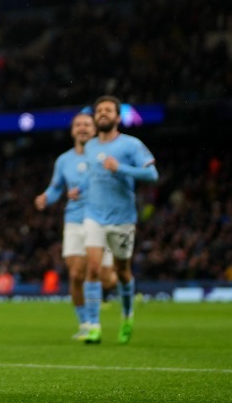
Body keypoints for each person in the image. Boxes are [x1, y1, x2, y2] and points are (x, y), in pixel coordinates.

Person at [78, 95, 158, 345]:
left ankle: (127, 315)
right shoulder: (90, 146)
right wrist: (78, 189)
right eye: (99, 110)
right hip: (93, 216)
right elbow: (91, 177)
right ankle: (93, 326)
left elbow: (152, 174)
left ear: (117, 117)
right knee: (92, 268)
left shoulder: (131, 145)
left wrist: (121, 168)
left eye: (108, 110)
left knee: (122, 271)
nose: (102, 113)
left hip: (122, 218)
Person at [33, 112, 119, 339]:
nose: (82, 128)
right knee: (76, 274)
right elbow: (56, 188)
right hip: (74, 220)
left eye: (87, 125)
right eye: (78, 124)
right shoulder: (63, 160)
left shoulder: (103, 154)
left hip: (101, 219)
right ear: (72, 130)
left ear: (94, 129)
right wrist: (45, 197)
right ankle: (87, 324)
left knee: (105, 276)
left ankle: (120, 281)